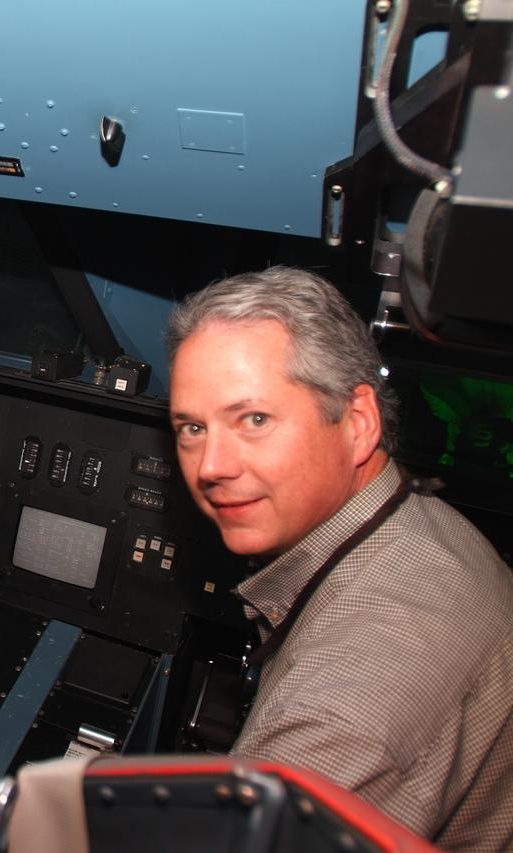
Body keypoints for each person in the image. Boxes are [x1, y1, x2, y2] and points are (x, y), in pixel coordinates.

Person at [165, 266, 512, 852]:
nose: (211, 466)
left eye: (254, 420)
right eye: (192, 428)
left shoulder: (353, 700)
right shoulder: (418, 530)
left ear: (358, 424)